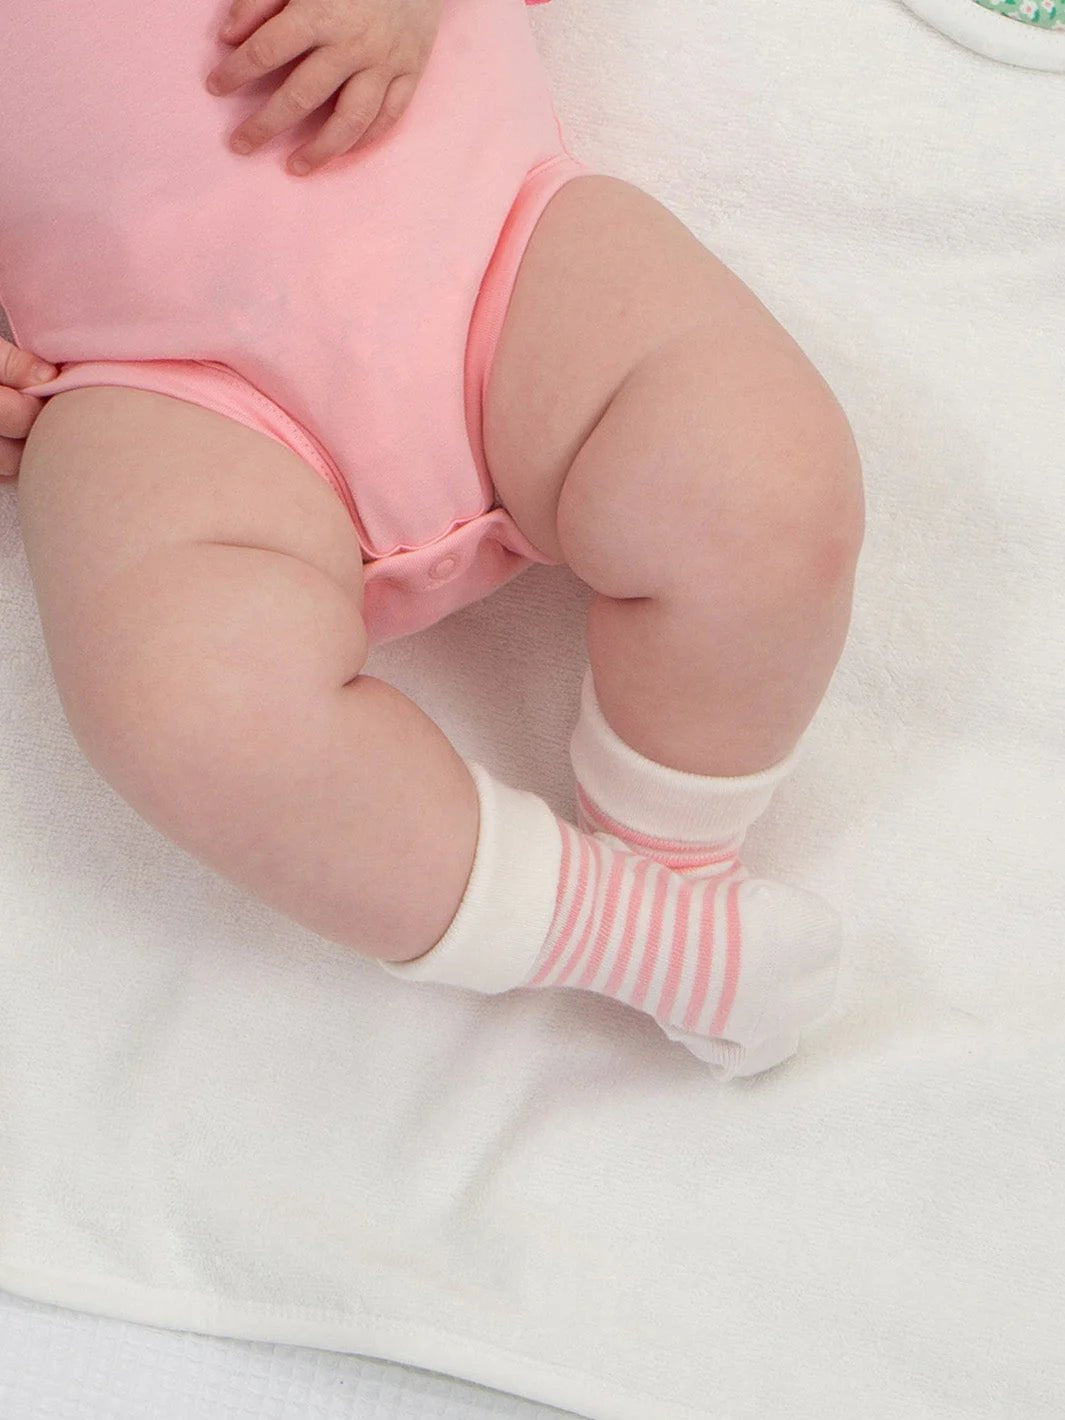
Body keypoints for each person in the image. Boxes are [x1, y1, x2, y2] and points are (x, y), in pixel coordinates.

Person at [0, 0, 864, 1079]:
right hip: (172, 395)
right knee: (182, 702)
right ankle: (621, 929)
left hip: (503, 254)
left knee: (760, 477)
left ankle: (676, 862)